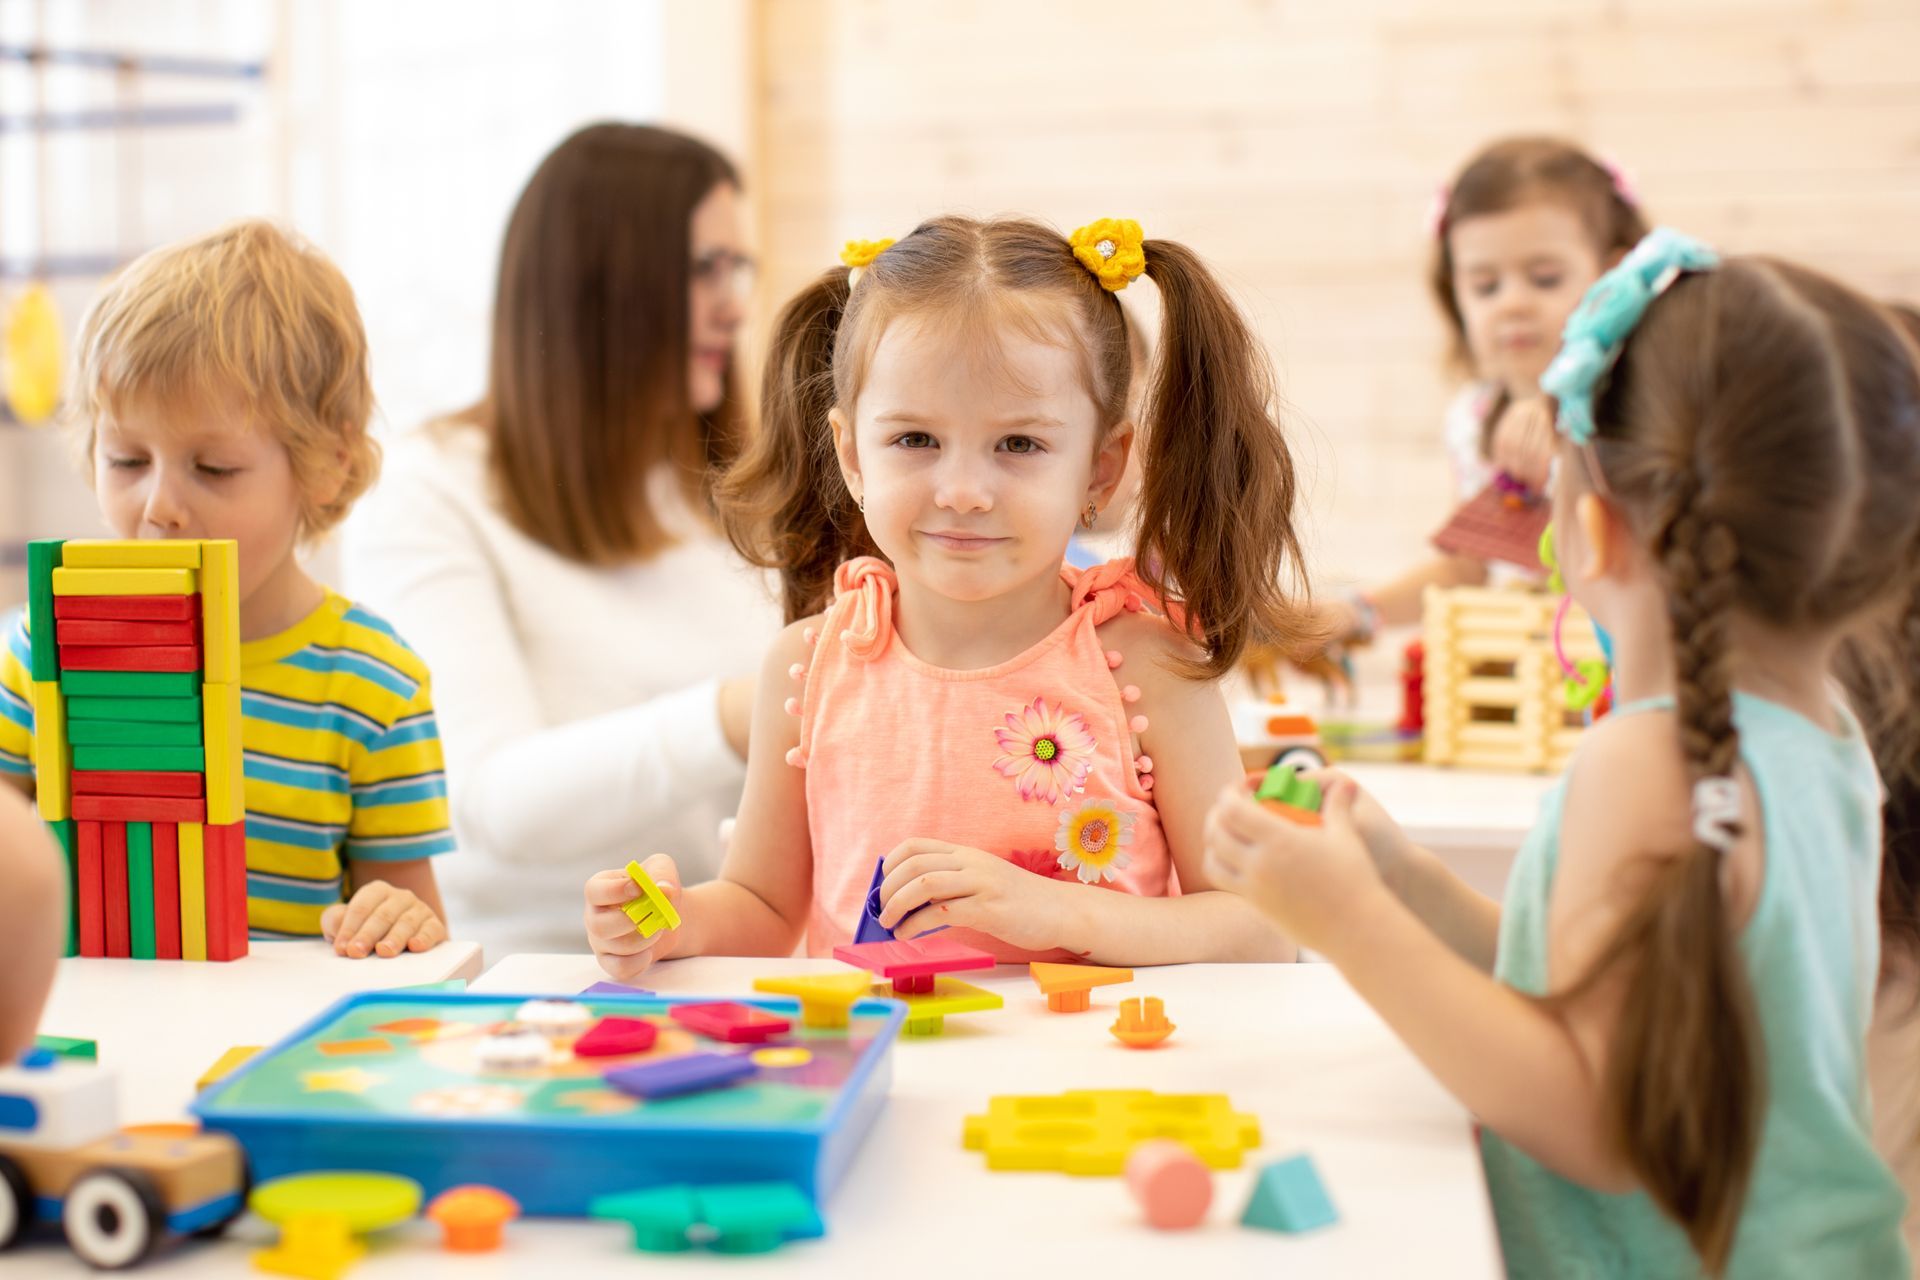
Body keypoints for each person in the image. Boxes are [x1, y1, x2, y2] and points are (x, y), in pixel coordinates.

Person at [1206, 232, 1919, 1275]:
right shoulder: (1825, 734)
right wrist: (1407, 881)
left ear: (1588, 523)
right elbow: (1602, 984)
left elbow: (1592, 1117)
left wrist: (1346, 919)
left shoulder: (1649, 759)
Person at [586, 215, 1309, 979]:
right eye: (916, 441)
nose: (964, 493)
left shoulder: (1145, 665)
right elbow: (765, 910)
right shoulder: (807, 666)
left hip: (1099, 1083)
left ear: (1101, 468)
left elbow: (1260, 930)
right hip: (886, 1078)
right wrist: (673, 922)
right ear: (852, 453)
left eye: (1020, 445)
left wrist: (1054, 911)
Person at [344, 124, 781, 956]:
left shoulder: (731, 492)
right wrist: (739, 711)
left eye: (738, 268)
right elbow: (489, 802)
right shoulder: (432, 495)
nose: (735, 304)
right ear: (599, 289)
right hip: (521, 977)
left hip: (714, 963)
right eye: (703, 269)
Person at [1, 220, 453, 959]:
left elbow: (416, 927)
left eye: (213, 468)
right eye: (125, 459)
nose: (159, 506)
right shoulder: (37, 656)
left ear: (327, 466)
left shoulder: (372, 686)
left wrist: (397, 920)